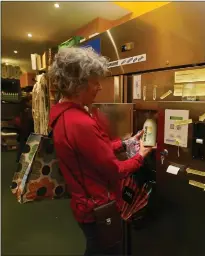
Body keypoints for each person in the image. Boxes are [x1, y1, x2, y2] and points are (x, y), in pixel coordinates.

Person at [48, 47, 154, 256]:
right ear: (78, 84)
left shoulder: (63, 115)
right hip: (97, 206)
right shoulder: (80, 122)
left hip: (83, 203)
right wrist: (141, 155)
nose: (99, 87)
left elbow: (91, 152)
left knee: (97, 248)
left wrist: (125, 143)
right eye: (95, 81)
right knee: (105, 250)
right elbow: (114, 170)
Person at [15, 90, 34, 162]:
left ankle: (19, 158)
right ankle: (21, 159)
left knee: (22, 143)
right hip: (26, 128)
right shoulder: (27, 107)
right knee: (25, 143)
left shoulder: (22, 104)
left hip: (23, 128)